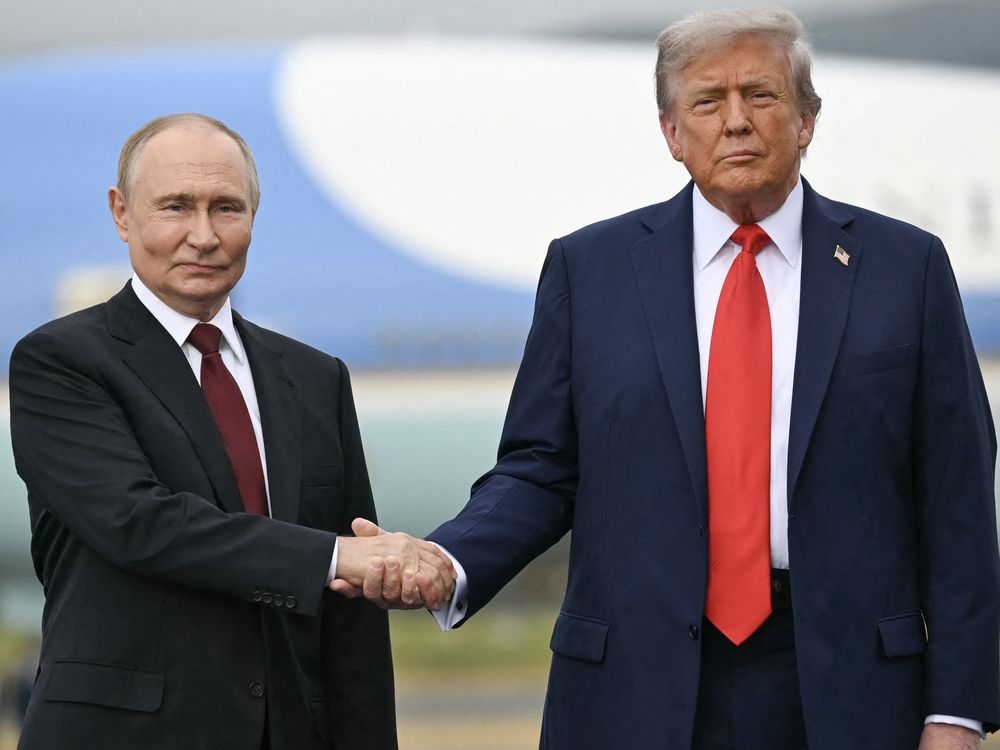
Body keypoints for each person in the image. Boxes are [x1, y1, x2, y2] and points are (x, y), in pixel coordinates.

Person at [336, 8, 1000, 750]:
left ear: (808, 119)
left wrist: (958, 712)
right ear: (671, 134)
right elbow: (541, 469)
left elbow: (959, 502)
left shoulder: (904, 269)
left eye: (762, 95)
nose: (737, 122)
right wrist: (451, 560)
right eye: (708, 102)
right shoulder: (590, 271)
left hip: (851, 691)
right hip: (635, 688)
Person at [9, 113, 454, 750]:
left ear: (255, 214)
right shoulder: (61, 361)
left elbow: (349, 620)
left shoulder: (315, 377)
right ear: (121, 213)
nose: (204, 235)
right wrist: (333, 556)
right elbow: (140, 524)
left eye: (226, 208)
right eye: (174, 208)